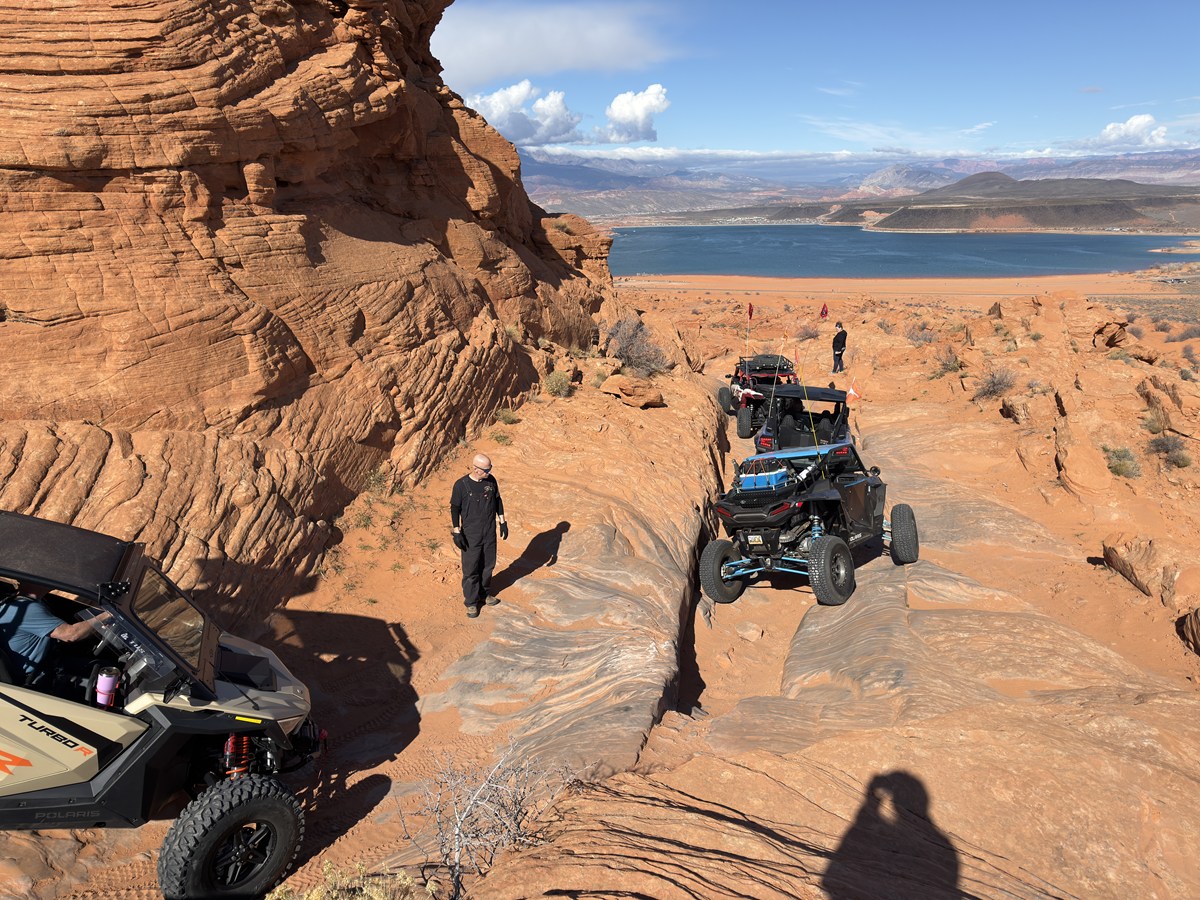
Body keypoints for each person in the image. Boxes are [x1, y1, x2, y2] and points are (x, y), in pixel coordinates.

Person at [0, 581, 103, 687]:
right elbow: (71, 634)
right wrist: (107, 616)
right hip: (39, 677)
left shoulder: (17, 603)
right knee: (104, 675)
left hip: (49, 663)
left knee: (100, 665)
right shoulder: (27, 608)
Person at [450, 453, 508, 618]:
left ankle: (484, 594)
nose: (489, 472)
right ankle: (471, 602)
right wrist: (457, 531)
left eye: (490, 469)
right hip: (471, 535)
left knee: (488, 565)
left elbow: (498, 501)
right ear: (476, 469)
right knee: (471, 569)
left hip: (489, 532)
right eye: (486, 470)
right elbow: (455, 509)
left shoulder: (491, 481)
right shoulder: (461, 485)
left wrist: (502, 521)